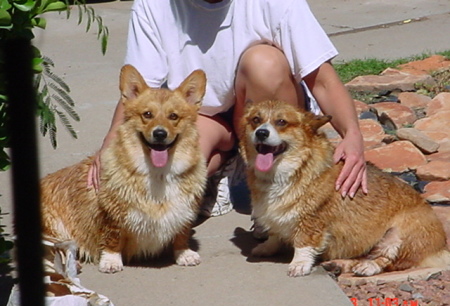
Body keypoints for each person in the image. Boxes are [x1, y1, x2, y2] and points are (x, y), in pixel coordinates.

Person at [88, 0, 368, 218]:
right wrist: (110, 144)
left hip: (266, 106)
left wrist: (352, 135)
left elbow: (321, 79)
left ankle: (275, 192)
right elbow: (142, 91)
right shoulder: (154, 5)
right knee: (163, 186)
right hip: (201, 116)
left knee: (264, 63)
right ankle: (225, 168)